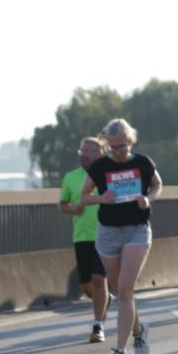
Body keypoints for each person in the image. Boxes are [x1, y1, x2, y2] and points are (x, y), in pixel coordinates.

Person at [81, 118, 162, 354]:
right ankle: (138, 329)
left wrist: (148, 199)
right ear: (107, 144)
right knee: (118, 291)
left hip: (136, 230)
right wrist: (101, 198)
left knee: (125, 291)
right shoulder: (100, 167)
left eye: (123, 146)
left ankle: (119, 352)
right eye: (114, 147)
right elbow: (84, 197)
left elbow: (157, 185)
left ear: (131, 141)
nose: (119, 151)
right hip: (108, 232)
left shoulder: (143, 162)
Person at [59, 137, 110, 342]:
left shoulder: (107, 174)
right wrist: (73, 208)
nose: (85, 154)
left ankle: (98, 326)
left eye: (90, 150)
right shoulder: (71, 178)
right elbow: (62, 204)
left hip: (105, 233)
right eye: (82, 150)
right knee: (86, 286)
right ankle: (105, 299)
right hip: (81, 236)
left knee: (99, 279)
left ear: (100, 153)